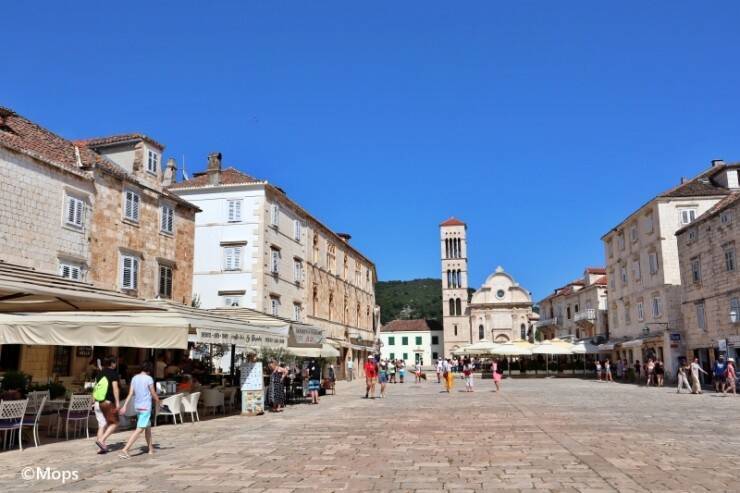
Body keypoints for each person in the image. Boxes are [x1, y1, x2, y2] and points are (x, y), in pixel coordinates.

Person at [119, 361, 159, 458]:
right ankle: (125, 449)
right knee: (140, 429)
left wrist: (125, 406)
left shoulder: (134, 378)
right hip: (145, 407)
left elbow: (130, 393)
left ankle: (150, 449)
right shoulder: (149, 379)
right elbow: (153, 393)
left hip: (137, 406)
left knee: (147, 427)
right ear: (149, 369)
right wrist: (159, 401)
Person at [93, 355, 121, 454]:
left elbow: (95, 387)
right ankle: (101, 440)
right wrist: (117, 403)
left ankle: (101, 448)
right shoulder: (113, 373)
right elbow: (115, 389)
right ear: (112, 363)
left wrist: (94, 400)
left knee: (101, 425)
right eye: (115, 362)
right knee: (115, 423)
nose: (116, 364)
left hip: (97, 402)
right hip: (107, 402)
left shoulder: (100, 373)